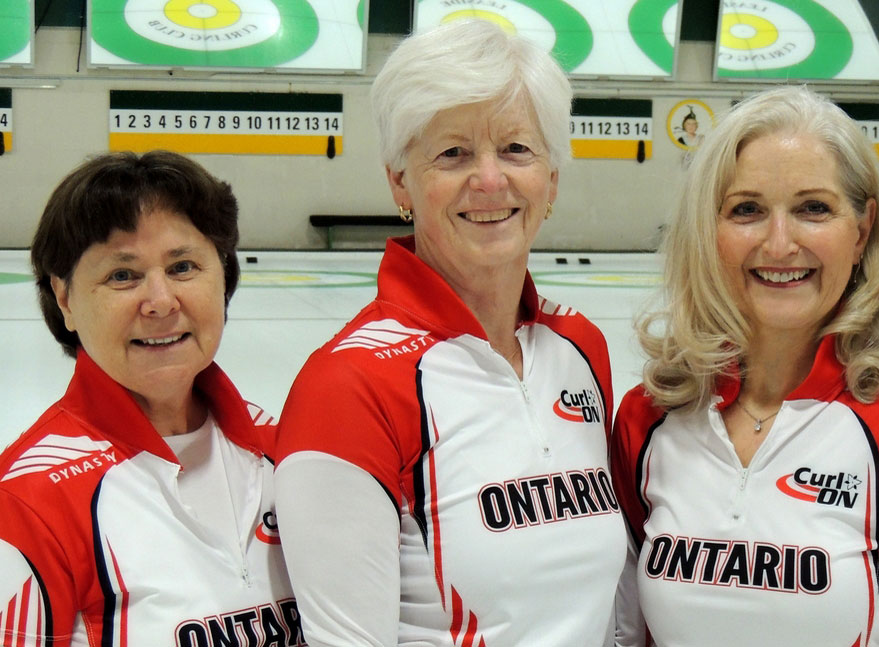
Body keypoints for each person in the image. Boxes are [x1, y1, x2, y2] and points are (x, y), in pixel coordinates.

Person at [274, 19, 626, 647]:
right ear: (399, 182)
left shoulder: (578, 347)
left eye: (517, 149)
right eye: (453, 153)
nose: (490, 180)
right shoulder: (350, 386)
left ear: (553, 178)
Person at [611, 86, 879, 646]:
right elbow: (623, 633)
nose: (780, 243)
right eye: (747, 210)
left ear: (861, 231)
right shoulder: (649, 418)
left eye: (813, 209)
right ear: (708, 231)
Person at [0, 151, 299, 645]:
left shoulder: (286, 445)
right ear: (65, 299)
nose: (160, 300)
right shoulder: (29, 503)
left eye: (183, 266)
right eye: (123, 275)